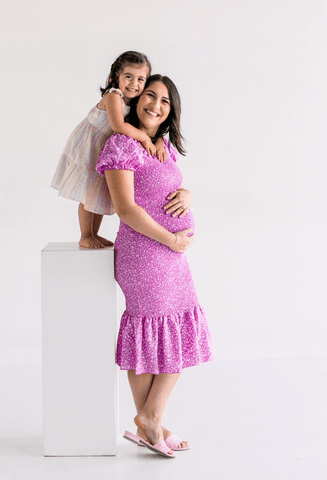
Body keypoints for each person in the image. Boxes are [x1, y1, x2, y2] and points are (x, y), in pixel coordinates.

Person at [96, 75, 215, 458]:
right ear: (136, 99)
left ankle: (151, 421)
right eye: (150, 95)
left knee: (169, 331)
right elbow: (127, 209)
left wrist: (188, 194)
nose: (156, 105)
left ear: (171, 110)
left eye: (165, 101)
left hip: (170, 256)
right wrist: (172, 239)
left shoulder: (163, 146)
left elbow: (168, 188)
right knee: (153, 332)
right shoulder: (121, 144)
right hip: (145, 254)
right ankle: (150, 421)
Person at [51, 51, 167, 249]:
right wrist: (145, 138)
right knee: (88, 193)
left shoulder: (134, 103)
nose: (134, 83)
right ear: (115, 78)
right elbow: (118, 126)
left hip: (104, 149)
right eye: (128, 77)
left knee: (97, 193)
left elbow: (146, 128)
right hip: (90, 145)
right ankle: (85, 235)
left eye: (141, 79)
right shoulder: (114, 95)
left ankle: (94, 234)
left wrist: (158, 141)